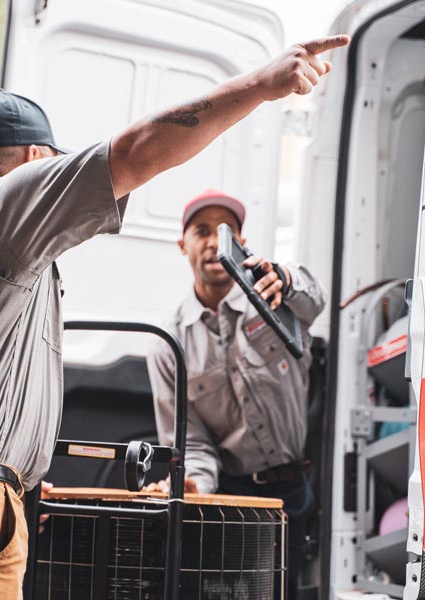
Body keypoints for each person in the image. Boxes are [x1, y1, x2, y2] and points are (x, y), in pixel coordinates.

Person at [0, 35, 348, 599]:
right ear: (35, 163)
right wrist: (261, 85)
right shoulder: (3, 202)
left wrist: (17, 485)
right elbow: (137, 151)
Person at [145, 190, 326, 600]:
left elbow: (315, 297)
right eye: (201, 231)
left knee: (284, 591)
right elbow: (190, 441)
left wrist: (286, 277)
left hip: (290, 491)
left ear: (240, 243)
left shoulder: (276, 300)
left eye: (225, 232)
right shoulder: (167, 344)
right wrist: (193, 483)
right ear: (183, 244)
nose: (213, 241)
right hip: (228, 495)